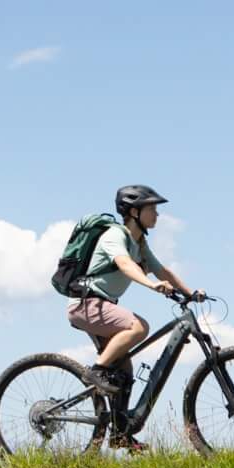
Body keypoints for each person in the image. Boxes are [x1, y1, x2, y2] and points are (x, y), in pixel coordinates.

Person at [66, 184, 199, 446]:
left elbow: (163, 271)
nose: (157, 215)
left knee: (125, 371)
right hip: (86, 303)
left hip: (102, 307)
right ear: (135, 211)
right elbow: (124, 264)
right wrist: (151, 285)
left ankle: (119, 435)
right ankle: (95, 371)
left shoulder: (139, 242)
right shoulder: (115, 235)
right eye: (153, 209)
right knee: (138, 327)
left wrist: (191, 292)